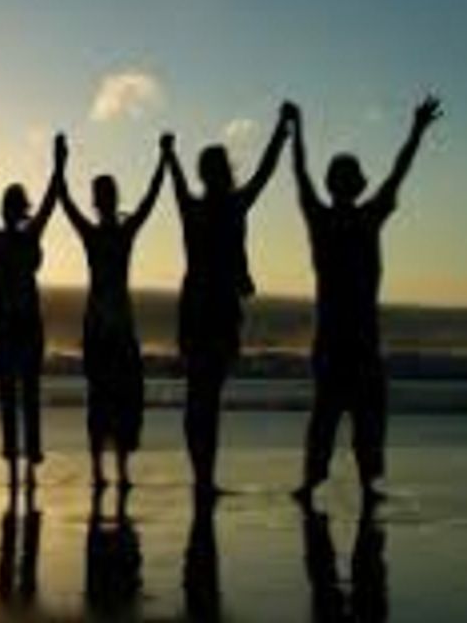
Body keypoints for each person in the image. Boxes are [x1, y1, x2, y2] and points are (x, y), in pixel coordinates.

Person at [290, 96, 443, 503]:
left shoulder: (330, 218)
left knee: (333, 414)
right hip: (354, 336)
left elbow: (301, 176)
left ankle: (321, 481)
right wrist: (416, 131)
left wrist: (297, 131)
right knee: (359, 414)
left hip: (338, 336)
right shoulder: (361, 217)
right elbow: (396, 173)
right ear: (354, 184)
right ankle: (359, 484)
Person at [163, 105, 290, 497]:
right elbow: (265, 173)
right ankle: (204, 477)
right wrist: (280, 132)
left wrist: (169, 156)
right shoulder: (227, 206)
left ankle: (203, 476)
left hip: (204, 306)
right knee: (206, 397)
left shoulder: (202, 208)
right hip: (213, 307)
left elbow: (262, 174)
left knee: (201, 395)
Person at [58, 137, 166, 490]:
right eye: (103, 196)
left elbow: (149, 200)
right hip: (106, 327)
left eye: (106, 196)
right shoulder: (105, 233)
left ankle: (112, 470)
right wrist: (59, 164)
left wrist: (163, 161)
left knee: (117, 400)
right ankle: (104, 471)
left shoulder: (117, 232)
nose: (106, 201)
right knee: (107, 400)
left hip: (112, 326)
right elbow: (66, 202)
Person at [0, 134, 65, 488]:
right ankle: (21, 459)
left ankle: (22, 458)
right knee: (20, 394)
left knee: (17, 395)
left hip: (19, 324)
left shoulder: (14, 238)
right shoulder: (9, 239)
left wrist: (60, 165)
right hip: (15, 325)